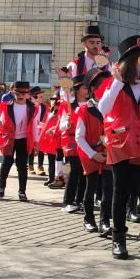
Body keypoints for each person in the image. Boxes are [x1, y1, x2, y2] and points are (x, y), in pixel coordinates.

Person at [100, 35, 140, 265]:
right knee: (120, 192)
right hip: (121, 143)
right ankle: (119, 239)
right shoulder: (116, 84)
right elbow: (103, 109)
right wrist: (116, 83)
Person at [76, 68, 113, 234]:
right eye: (102, 86)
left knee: (107, 188)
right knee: (90, 187)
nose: (106, 90)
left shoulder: (113, 107)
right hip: (90, 153)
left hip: (109, 153)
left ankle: (105, 221)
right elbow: (79, 137)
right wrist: (93, 154)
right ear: (92, 90)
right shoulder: (84, 110)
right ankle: (88, 219)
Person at [0, 81, 37, 201]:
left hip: (24, 139)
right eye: (18, 92)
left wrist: (36, 142)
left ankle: (22, 191)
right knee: (6, 163)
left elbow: (34, 125)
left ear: (28, 94)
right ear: (13, 92)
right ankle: (1, 186)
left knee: (22, 166)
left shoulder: (32, 108)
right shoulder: (6, 105)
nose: (21, 95)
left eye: (24, 93)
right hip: (9, 138)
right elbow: (2, 121)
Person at [59, 74, 88, 214]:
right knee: (74, 172)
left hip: (87, 143)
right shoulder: (69, 106)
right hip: (71, 143)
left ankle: (79, 200)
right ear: (77, 90)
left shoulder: (90, 105)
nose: (87, 90)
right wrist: (67, 122)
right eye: (84, 88)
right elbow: (61, 126)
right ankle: (67, 202)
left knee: (84, 173)